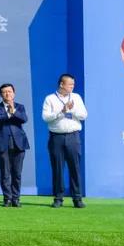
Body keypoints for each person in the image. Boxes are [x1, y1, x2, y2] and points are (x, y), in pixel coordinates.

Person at [42, 73, 88, 208]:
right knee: (57, 168)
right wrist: (61, 112)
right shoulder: (50, 98)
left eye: (73, 84)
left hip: (73, 137)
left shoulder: (76, 97)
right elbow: (45, 117)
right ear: (61, 84)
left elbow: (84, 115)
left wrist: (72, 110)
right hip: (56, 137)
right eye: (70, 84)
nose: (72, 87)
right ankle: (58, 198)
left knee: (75, 168)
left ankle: (77, 198)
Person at [0, 83, 30, 208]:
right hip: (2, 143)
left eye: (9, 91)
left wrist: (14, 111)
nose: (7, 94)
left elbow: (24, 119)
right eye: (4, 92)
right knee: (5, 173)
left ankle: (16, 198)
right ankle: (7, 198)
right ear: (1, 94)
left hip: (19, 143)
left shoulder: (20, 107)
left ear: (14, 93)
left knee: (17, 173)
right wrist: (8, 114)